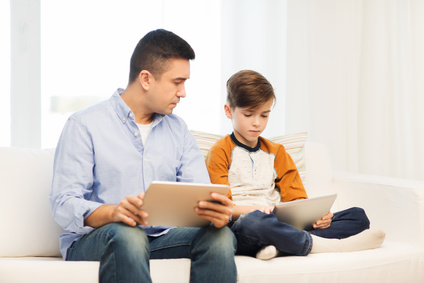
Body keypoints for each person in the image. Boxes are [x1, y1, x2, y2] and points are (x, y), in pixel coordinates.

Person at [49, 29, 237, 283]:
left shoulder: (178, 130)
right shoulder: (84, 124)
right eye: (177, 82)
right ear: (146, 79)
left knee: (221, 236)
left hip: (160, 238)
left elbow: (199, 193)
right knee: (129, 234)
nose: (183, 92)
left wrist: (215, 212)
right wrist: (113, 212)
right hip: (98, 239)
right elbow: (63, 202)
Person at [205, 70, 385, 260]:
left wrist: (317, 216)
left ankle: (281, 247)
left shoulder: (277, 152)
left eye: (264, 115)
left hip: (279, 222)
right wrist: (253, 209)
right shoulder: (220, 151)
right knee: (255, 223)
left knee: (358, 216)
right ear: (228, 110)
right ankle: (319, 244)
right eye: (248, 114)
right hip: (245, 225)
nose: (257, 123)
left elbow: (297, 201)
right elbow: (223, 208)